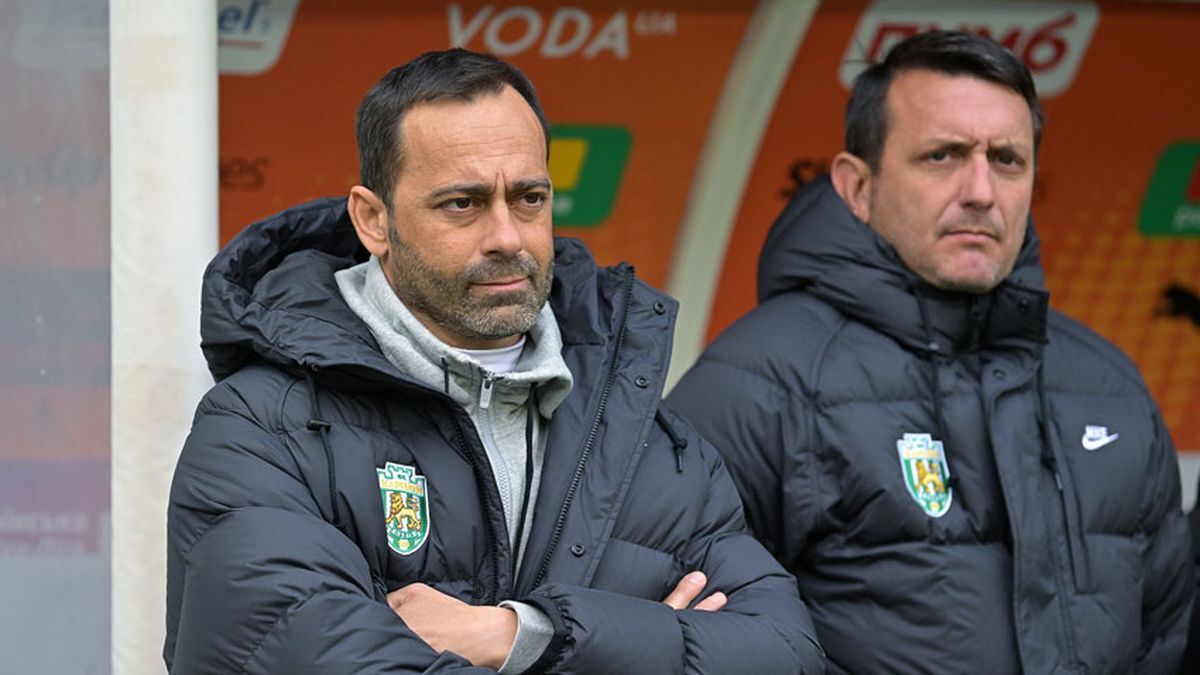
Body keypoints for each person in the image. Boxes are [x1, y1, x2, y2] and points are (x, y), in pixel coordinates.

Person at [163, 48, 824, 674]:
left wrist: (518, 635)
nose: (507, 236)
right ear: (373, 220)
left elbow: (785, 652)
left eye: (530, 198)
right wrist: (635, 645)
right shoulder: (259, 428)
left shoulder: (641, 435)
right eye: (464, 203)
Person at [668, 30, 1192, 673]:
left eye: (1007, 160)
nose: (981, 191)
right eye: (943, 156)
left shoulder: (1109, 387)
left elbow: (1166, 637)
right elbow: (681, 636)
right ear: (857, 186)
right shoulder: (759, 383)